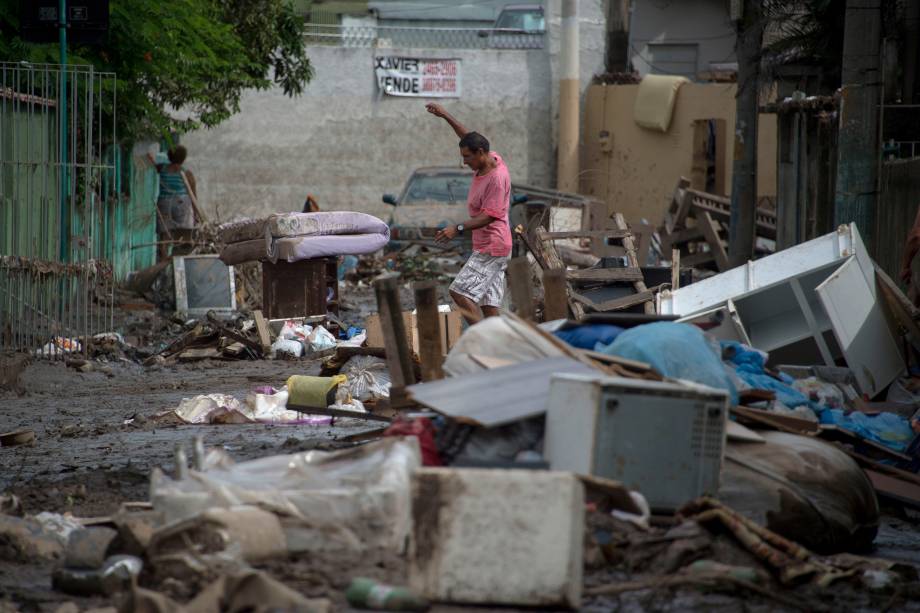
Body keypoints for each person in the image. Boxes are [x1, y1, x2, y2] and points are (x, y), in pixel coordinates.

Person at [426, 102, 512, 325]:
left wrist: (458, 228)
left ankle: (482, 340)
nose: (465, 163)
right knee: (488, 303)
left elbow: (491, 215)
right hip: (493, 245)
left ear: (481, 154)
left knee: (460, 292)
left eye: (467, 158)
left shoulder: (496, 179)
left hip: (492, 245)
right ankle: (499, 349)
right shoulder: (489, 156)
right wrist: (445, 115)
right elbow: (469, 136)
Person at [149, 145, 197, 261]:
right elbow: (193, 195)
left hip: (164, 203)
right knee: (182, 236)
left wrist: (147, 154)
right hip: (182, 204)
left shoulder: (162, 168)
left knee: (164, 236)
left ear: (169, 156)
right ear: (183, 158)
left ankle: (163, 262)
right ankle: (179, 261)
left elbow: (152, 163)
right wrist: (195, 214)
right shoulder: (186, 173)